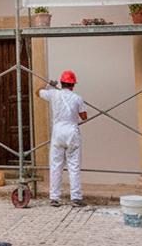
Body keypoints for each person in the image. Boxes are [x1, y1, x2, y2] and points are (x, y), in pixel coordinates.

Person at [36, 70, 88, 207]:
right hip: (71, 132)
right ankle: (76, 197)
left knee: (55, 166)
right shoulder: (77, 98)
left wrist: (48, 85)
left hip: (58, 133)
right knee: (74, 166)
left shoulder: (53, 94)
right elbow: (84, 117)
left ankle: (54, 197)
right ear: (72, 85)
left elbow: (38, 92)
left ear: (62, 83)